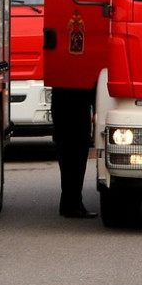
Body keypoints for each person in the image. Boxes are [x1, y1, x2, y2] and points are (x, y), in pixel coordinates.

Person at [52, 85, 97, 218]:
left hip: (61, 108)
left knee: (66, 158)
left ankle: (67, 202)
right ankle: (73, 204)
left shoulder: (59, 70)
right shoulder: (81, 69)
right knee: (77, 159)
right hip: (78, 110)